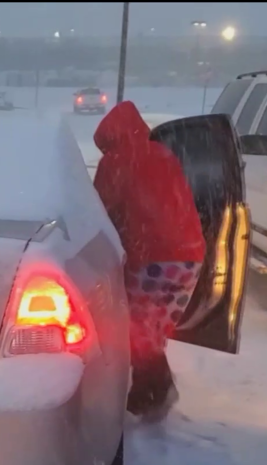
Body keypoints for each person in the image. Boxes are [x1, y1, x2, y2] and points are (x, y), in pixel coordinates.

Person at [92, 100, 205, 422]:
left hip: (153, 256)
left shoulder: (118, 161)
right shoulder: (161, 153)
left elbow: (99, 209)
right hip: (189, 255)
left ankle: (155, 391)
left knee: (136, 329)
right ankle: (146, 393)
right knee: (150, 328)